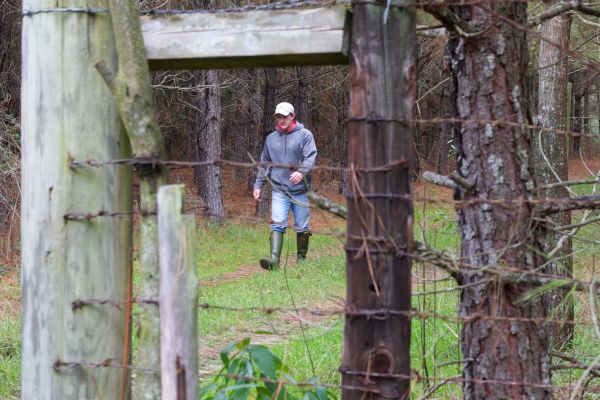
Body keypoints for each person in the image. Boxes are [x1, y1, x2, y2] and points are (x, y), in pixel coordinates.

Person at [253, 102, 317, 270]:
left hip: (301, 191)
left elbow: (311, 157)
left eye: (284, 116)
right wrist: (258, 185)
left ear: (292, 116)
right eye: (278, 117)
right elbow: (264, 164)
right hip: (279, 190)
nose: (281, 120)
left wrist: (301, 172)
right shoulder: (271, 139)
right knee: (277, 224)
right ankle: (274, 262)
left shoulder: (305, 135)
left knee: (302, 227)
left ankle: (301, 262)